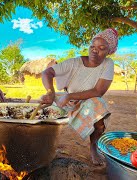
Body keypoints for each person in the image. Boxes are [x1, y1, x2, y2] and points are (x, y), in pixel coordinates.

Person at [40, 28, 118, 165]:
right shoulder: (74, 63)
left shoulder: (108, 64)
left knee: (99, 107)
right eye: (92, 46)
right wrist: (50, 93)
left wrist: (70, 95)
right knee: (42, 108)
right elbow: (47, 73)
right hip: (67, 101)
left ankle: (93, 146)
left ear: (109, 51)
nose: (95, 50)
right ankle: (44, 146)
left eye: (101, 48)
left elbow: (98, 91)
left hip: (87, 101)